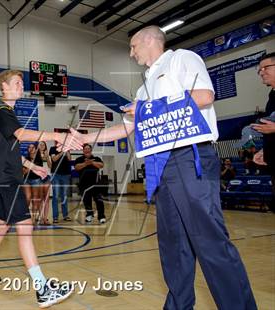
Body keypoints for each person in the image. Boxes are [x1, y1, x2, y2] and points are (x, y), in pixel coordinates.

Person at [69, 26, 256, 309]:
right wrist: (87, 137)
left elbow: (204, 96)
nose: (131, 53)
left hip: (190, 157)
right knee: (173, 246)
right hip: (162, 166)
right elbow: (127, 128)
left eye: (133, 46)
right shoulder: (144, 87)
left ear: (150, 40)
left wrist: (148, 106)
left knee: (209, 241)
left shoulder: (182, 58)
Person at [0, 69, 81, 308]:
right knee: (25, 226)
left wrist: (34, 167)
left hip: (8, 175)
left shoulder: (8, 114)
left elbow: (10, 150)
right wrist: (57, 135)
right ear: (4, 86)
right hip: (6, 178)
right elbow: (22, 135)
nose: (21, 87)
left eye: (22, 84)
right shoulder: (0, 109)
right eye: (16, 83)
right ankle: (43, 288)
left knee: (3, 223)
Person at [252, 52, 275, 212]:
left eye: (266, 68)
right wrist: (265, 149)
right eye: (259, 69)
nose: (261, 72)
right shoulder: (272, 96)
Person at [74, 144, 105, 224]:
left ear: (91, 150)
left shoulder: (96, 158)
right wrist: (85, 164)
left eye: (88, 148)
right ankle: (89, 215)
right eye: (85, 149)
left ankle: (101, 217)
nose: (87, 150)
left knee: (99, 200)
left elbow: (101, 165)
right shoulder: (79, 159)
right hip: (84, 185)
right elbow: (77, 167)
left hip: (96, 184)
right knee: (87, 201)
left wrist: (92, 163)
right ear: (83, 150)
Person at [49, 141, 72, 223]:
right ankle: (55, 217)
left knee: (64, 196)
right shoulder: (53, 149)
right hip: (56, 175)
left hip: (66, 175)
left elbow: (69, 159)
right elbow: (54, 159)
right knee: (55, 196)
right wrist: (62, 151)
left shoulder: (67, 149)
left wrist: (67, 150)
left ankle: (65, 215)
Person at [23, 143, 44, 224]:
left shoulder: (39, 159)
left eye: (33, 147)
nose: (31, 149)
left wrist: (30, 167)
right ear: (28, 149)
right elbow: (23, 172)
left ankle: (33, 218)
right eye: (29, 147)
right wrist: (30, 168)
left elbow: (39, 170)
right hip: (26, 180)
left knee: (35, 200)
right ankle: (25, 216)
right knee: (27, 198)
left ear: (35, 149)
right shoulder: (25, 159)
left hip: (36, 180)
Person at [37, 141, 52, 225]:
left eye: (43, 144)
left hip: (47, 178)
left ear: (45, 146)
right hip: (38, 178)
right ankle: (41, 218)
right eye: (40, 144)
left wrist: (46, 157)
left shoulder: (48, 155)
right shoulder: (35, 155)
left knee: (46, 199)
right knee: (39, 199)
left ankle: (45, 218)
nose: (42, 146)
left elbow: (50, 166)